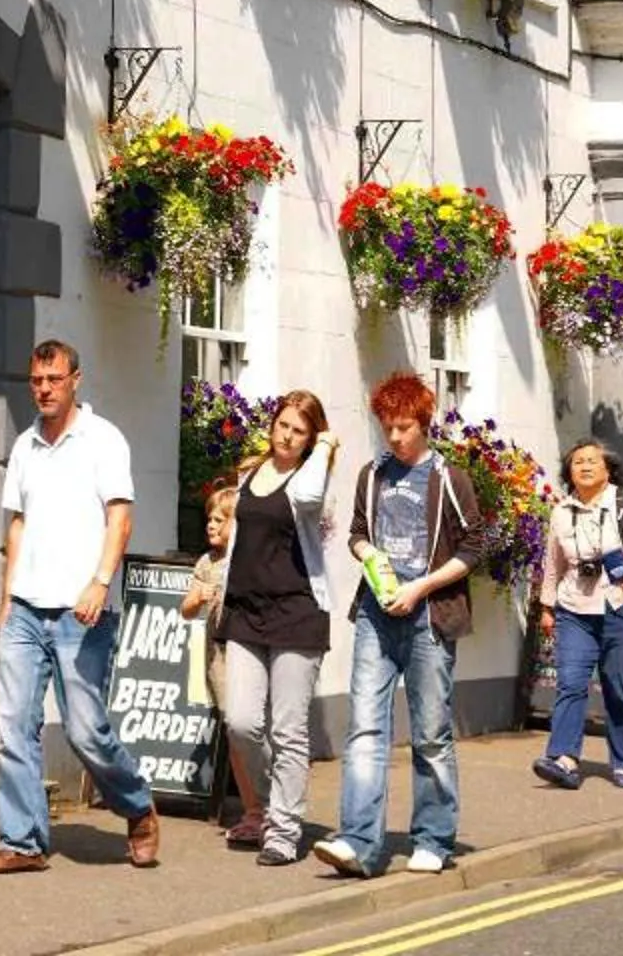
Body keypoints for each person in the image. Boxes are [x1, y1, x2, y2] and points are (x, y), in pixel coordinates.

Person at [0, 340, 161, 875]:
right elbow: (18, 523)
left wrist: (100, 583)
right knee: (15, 726)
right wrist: (6, 595)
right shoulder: (25, 446)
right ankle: (22, 842)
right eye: (36, 380)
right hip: (26, 609)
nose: (44, 389)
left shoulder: (103, 440)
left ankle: (137, 806)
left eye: (54, 379)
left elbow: (119, 518)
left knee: (84, 731)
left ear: (75, 379)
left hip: (83, 612)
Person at [313, 372, 477, 880]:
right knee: (365, 728)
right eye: (387, 427)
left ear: (424, 423)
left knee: (430, 733)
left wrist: (420, 587)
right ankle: (359, 841)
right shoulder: (372, 475)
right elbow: (357, 534)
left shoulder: (449, 478)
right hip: (375, 615)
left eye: (404, 427)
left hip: (429, 618)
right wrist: (370, 556)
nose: (395, 436)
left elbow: (475, 546)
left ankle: (433, 839)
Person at [217, 391, 339, 866]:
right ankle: (273, 802)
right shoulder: (250, 473)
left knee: (289, 730)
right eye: (283, 425)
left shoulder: (313, 480)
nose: (287, 436)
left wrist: (325, 446)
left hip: (297, 613)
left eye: (299, 431)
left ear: (310, 439)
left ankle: (284, 830)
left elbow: (305, 498)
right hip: (246, 613)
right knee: (241, 721)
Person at [532, 441, 623, 792]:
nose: (585, 466)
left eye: (593, 461)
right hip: (574, 609)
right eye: (578, 462)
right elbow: (553, 564)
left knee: (621, 687)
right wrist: (547, 607)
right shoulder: (561, 511)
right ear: (569, 471)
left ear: (607, 469)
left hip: (620, 604)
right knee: (570, 683)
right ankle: (564, 759)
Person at [177, 478, 263, 839]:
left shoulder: (248, 560)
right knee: (233, 729)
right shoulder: (207, 562)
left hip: (248, 651)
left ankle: (268, 806)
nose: (211, 525)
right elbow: (186, 609)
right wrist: (198, 598)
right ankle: (253, 810)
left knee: (254, 729)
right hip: (218, 659)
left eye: (220, 520)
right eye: (209, 519)